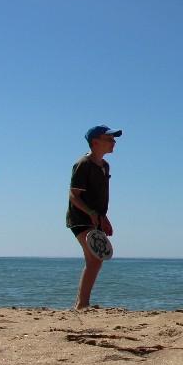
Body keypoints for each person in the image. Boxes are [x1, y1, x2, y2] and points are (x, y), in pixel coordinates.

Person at [67, 125, 122, 309]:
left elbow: (100, 197)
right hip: (80, 218)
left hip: (96, 219)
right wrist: (91, 213)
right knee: (95, 260)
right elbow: (73, 195)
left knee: (93, 262)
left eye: (114, 139)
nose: (114, 142)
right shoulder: (83, 164)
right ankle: (82, 305)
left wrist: (103, 218)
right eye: (109, 139)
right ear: (95, 142)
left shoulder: (105, 166)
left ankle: (81, 304)